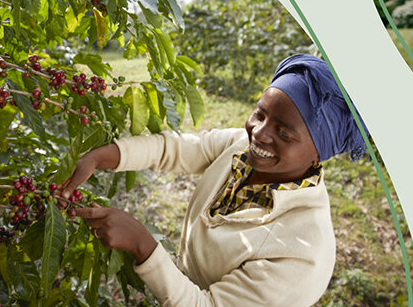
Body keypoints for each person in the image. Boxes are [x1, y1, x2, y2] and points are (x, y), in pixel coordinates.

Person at [60, 54, 367, 306]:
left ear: (318, 156)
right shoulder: (239, 149)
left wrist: (144, 246)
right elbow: (176, 149)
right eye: (260, 114)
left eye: (283, 133)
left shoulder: (301, 253)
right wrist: (101, 156)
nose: (259, 133)